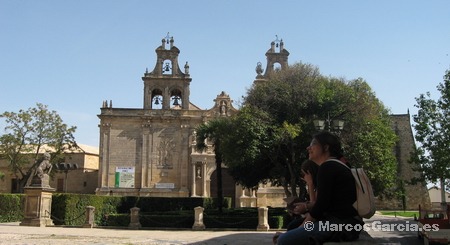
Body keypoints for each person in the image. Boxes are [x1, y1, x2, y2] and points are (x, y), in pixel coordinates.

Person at [276, 131, 363, 245]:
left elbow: (320, 206)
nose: (308, 148)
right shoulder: (336, 165)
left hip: (340, 225)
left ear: (326, 147)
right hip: (347, 224)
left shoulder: (328, 167)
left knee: (284, 240)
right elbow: (324, 204)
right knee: (292, 230)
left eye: (313, 144)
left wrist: (301, 228)